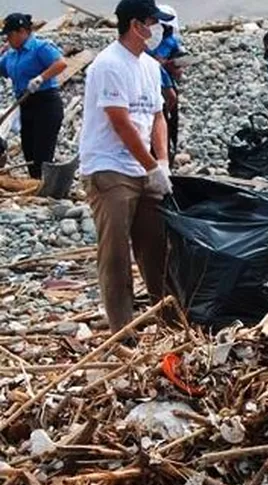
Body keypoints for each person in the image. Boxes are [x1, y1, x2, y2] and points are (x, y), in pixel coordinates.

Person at [78, 0, 175, 332]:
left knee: (156, 246)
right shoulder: (109, 65)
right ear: (137, 25)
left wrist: (161, 162)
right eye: (153, 22)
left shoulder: (148, 65)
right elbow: (120, 123)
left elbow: (157, 115)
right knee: (116, 252)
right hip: (109, 168)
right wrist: (151, 166)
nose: (157, 29)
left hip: (143, 167)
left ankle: (168, 318)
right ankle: (122, 329)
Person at [0, 13, 68, 179]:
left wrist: (41, 78)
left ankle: (44, 185)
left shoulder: (40, 47)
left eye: (10, 35)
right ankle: (35, 182)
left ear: (23, 31)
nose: (8, 39)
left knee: (42, 150)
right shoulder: (11, 54)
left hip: (45, 103)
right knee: (28, 146)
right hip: (25, 103)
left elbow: (61, 63)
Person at [148, 4, 184, 164]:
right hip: (158, 86)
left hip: (164, 84)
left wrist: (172, 67)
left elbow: (178, 71)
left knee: (165, 126)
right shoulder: (147, 44)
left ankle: (163, 160)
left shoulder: (171, 41)